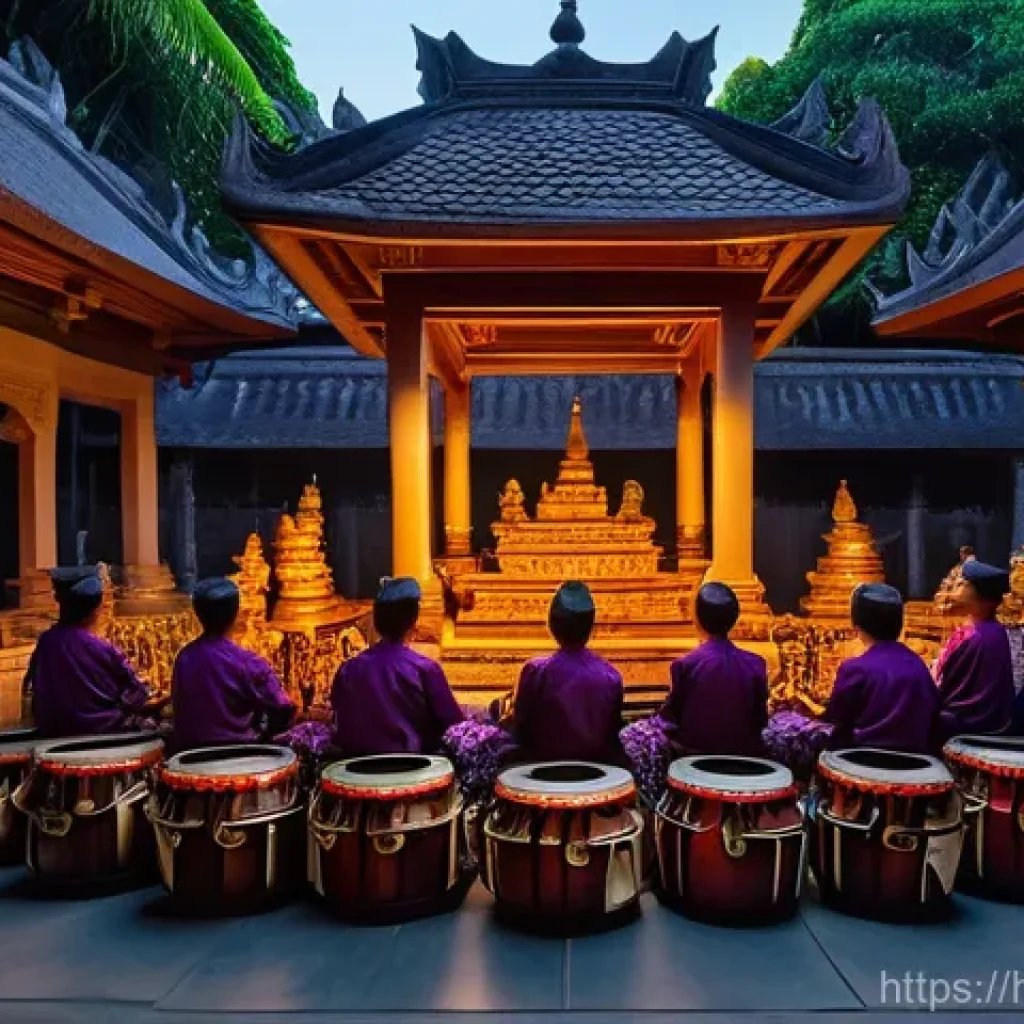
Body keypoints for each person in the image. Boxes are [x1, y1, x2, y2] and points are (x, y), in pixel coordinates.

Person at [330, 577, 464, 755]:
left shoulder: (348, 669)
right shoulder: (425, 669)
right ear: (413, 621)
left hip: (357, 769)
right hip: (413, 769)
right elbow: (453, 724)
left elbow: (338, 715)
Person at [171, 577, 296, 750]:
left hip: (189, 755)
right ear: (236, 612)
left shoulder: (183, 658)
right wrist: (266, 735)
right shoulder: (247, 662)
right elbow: (283, 708)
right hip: (239, 755)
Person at [27, 567, 151, 737]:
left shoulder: (45, 642)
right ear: (95, 609)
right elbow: (137, 694)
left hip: (52, 731)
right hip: (103, 730)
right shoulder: (103, 649)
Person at [512, 581, 625, 764]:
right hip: (597, 771)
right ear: (590, 627)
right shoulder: (611, 676)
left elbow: (521, 730)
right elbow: (612, 735)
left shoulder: (536, 671)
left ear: (552, 625)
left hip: (541, 768)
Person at [822, 583, 939, 753]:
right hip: (915, 765)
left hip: (864, 763)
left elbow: (835, 719)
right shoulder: (919, 665)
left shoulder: (855, 668)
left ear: (857, 628)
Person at [657, 582, 768, 756]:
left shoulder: (686, 665)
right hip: (745, 757)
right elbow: (761, 720)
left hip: (694, 760)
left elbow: (669, 719)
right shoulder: (756, 664)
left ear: (698, 619)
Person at [934, 559, 1014, 742]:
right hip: (992, 721)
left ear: (978, 593)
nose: (955, 588)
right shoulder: (992, 630)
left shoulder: (975, 637)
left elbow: (946, 687)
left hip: (970, 723)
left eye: (962, 584)